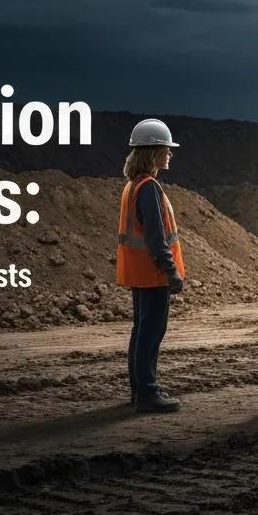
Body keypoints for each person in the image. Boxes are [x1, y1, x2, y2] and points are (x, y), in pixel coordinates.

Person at [116, 119, 185, 414]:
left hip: (138, 272)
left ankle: (139, 389)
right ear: (153, 151)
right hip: (153, 273)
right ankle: (147, 392)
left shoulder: (133, 186)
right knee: (151, 331)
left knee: (141, 329)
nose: (170, 154)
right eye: (166, 149)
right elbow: (157, 238)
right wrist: (171, 272)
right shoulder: (149, 188)